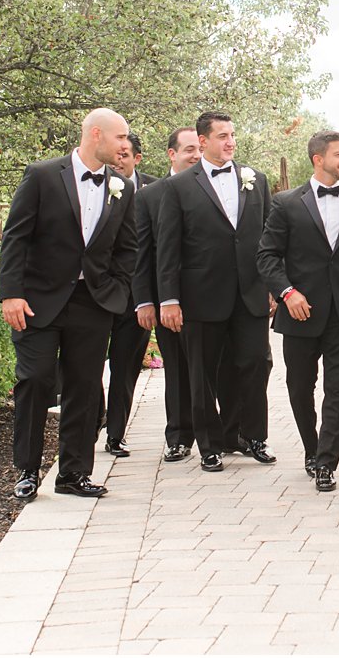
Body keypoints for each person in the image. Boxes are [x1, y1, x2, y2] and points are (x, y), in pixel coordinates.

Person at [0, 108, 138, 501]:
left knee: (84, 387)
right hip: (37, 302)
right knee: (35, 380)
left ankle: (74, 474)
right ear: (96, 134)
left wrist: (117, 291)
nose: (125, 145)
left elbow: (127, 248)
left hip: (93, 303)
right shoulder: (42, 176)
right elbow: (15, 238)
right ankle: (27, 470)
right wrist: (11, 293)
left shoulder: (122, 188)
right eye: (120, 137)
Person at [153, 112, 275, 473]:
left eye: (232, 135)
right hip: (201, 296)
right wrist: (169, 299)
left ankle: (252, 436)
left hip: (250, 293)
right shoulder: (178, 187)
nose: (230, 142)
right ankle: (208, 445)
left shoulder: (256, 180)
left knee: (254, 365)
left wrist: (272, 287)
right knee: (202, 373)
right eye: (222, 136)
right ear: (203, 141)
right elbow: (168, 248)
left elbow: (268, 239)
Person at [256, 130, 339, 492]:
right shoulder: (286, 203)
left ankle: (327, 461)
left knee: (338, 391)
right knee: (300, 387)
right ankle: (311, 449)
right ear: (319, 159)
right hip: (299, 311)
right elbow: (266, 256)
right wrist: (287, 293)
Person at [134, 127, 203, 462]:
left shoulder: (214, 187)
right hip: (169, 299)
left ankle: (226, 433)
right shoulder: (150, 195)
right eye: (188, 149)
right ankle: (178, 436)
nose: (195, 155)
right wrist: (147, 300)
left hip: (211, 297)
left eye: (198, 148)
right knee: (176, 369)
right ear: (171, 154)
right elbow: (143, 253)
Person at [103, 133, 159, 458]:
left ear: (137, 158)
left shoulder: (155, 190)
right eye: (115, 154)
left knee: (125, 368)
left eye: (124, 154)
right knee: (84, 364)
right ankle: (96, 413)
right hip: (99, 293)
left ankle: (115, 434)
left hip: (138, 297)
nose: (117, 160)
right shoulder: (95, 187)